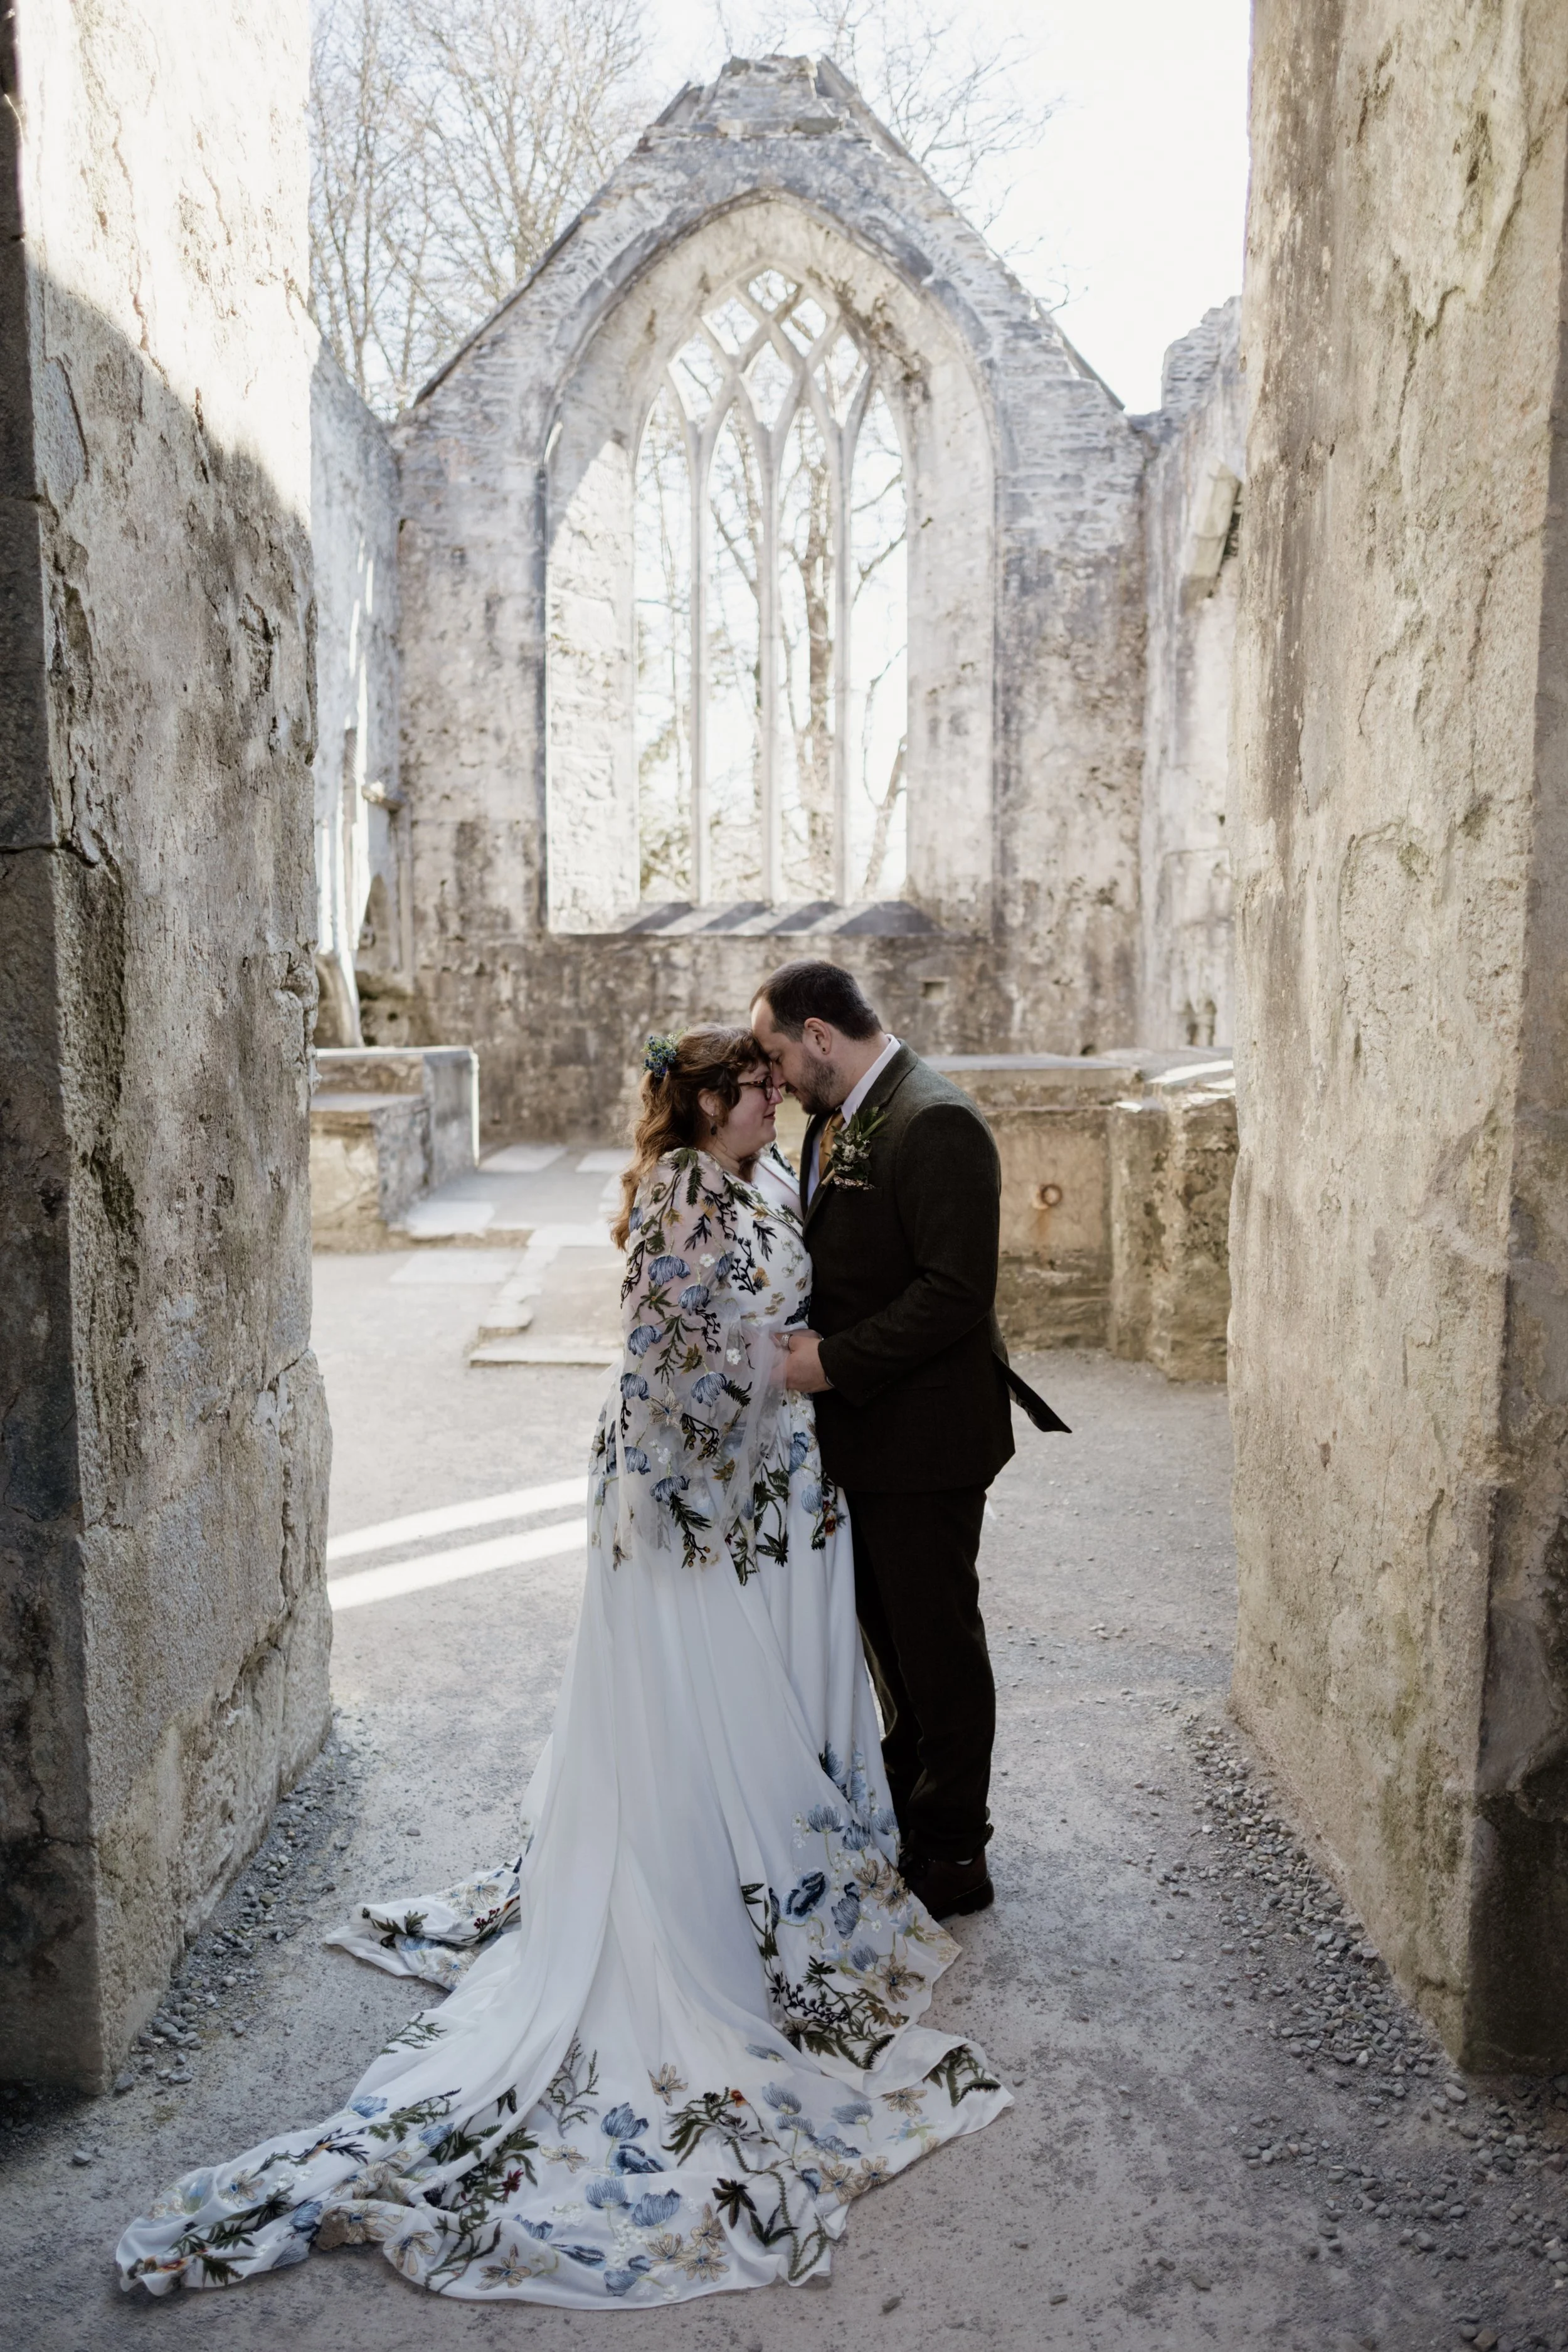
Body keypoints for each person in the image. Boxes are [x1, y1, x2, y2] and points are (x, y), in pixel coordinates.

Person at [117, 1027, 1008, 2308]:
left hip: (770, 1496)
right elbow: (671, 1369)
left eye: (771, 1086)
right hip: (697, 1505)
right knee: (702, 1715)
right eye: (755, 1089)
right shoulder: (678, 1197)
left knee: (775, 1708)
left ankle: (786, 1877)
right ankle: (706, 1899)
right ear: (707, 1103)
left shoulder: (756, 1181)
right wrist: (710, 1498)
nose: (774, 1103)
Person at [751, 962, 1066, 1923]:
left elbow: (955, 1292)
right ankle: (907, 1800)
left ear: (817, 1034)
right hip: (866, 1436)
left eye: (774, 1058)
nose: (772, 1082)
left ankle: (956, 1853)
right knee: (889, 1637)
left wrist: (829, 1363)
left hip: (927, 1440)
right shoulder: (837, 1118)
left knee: (938, 1645)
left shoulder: (936, 1122)